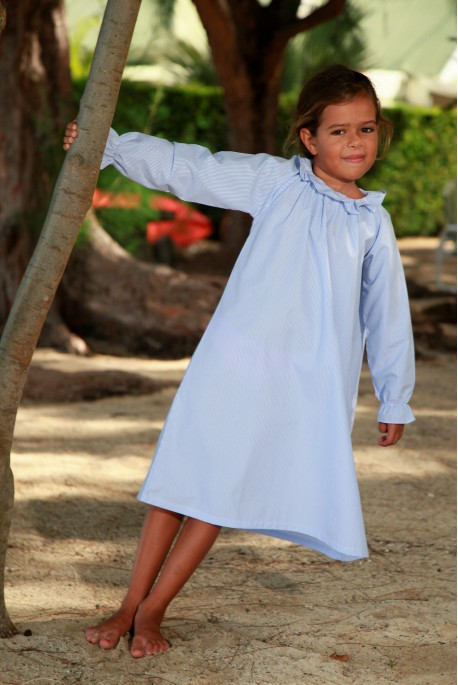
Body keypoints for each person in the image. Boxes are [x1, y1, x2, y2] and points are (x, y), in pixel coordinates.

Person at [63, 64, 415, 659]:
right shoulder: (276, 182)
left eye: (365, 129)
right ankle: (126, 603)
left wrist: (395, 394)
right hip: (233, 362)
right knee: (182, 478)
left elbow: (388, 315)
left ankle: (153, 611)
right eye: (338, 132)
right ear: (308, 138)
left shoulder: (372, 222)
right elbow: (192, 167)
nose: (354, 143)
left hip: (301, 381)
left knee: (219, 494)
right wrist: (113, 146)